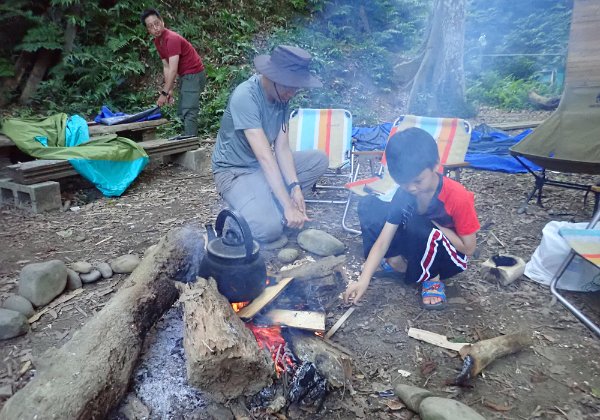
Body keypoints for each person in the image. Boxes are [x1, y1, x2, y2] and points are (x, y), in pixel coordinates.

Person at [343, 127, 480, 310]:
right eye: (404, 182)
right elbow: (384, 239)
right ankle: (399, 263)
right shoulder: (405, 192)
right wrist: (363, 281)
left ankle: (432, 278)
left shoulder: (457, 196)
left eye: (418, 181)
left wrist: (439, 227)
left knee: (420, 224)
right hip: (417, 244)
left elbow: (469, 248)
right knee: (370, 205)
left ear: (435, 166)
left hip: (447, 257)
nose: (411, 188)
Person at [211, 45, 328, 244]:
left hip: (260, 170)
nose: (292, 92)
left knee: (318, 160)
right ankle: (246, 216)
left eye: (296, 87)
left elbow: (282, 148)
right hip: (235, 172)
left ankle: (266, 204)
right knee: (269, 230)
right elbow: (265, 158)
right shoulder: (245, 97)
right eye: (288, 86)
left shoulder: (282, 97)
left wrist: (295, 187)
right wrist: (288, 206)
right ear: (272, 77)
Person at [141, 8, 206, 136]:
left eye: (157, 23)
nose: (156, 28)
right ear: (148, 30)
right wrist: (169, 89)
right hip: (185, 75)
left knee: (189, 110)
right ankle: (187, 137)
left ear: (162, 21)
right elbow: (166, 66)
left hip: (194, 74)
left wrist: (164, 93)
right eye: (151, 26)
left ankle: (191, 143)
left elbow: (173, 68)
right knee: (182, 110)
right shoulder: (157, 41)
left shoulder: (171, 38)